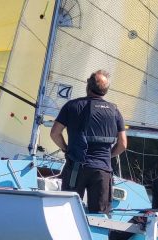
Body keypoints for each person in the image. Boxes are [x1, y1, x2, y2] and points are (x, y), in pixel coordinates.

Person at [50, 70, 127, 214]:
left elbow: (55, 133)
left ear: (88, 86)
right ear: (106, 90)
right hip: (102, 170)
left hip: (76, 169)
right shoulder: (114, 111)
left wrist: (66, 149)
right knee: (99, 217)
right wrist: (107, 156)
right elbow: (123, 144)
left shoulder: (71, 106)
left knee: (68, 213)